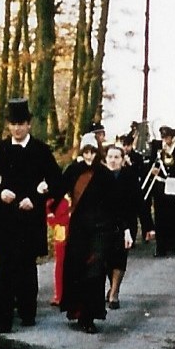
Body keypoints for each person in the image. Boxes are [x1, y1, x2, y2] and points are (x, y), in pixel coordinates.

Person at [0, 97, 64, 333]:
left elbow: (58, 182)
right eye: (13, 124)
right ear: (8, 126)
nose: (17, 128)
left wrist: (38, 199)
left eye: (21, 123)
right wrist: (0, 193)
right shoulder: (1, 149)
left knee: (28, 267)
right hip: (7, 219)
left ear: (29, 124)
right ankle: (4, 318)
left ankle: (28, 312)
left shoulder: (40, 150)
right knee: (7, 268)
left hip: (30, 219)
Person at [58, 134, 129, 333]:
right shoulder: (73, 171)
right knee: (76, 269)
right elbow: (58, 190)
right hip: (79, 228)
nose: (89, 156)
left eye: (92, 151)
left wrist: (124, 229)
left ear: (98, 152)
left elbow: (116, 205)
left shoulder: (105, 174)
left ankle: (89, 316)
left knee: (95, 271)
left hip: (100, 229)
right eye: (86, 152)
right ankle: (76, 311)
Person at [145, 126, 175, 257]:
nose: (165, 140)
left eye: (168, 138)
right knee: (160, 216)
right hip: (161, 185)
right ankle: (160, 246)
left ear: (173, 138)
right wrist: (153, 170)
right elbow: (151, 164)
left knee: (173, 216)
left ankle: (172, 244)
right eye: (164, 138)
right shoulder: (157, 150)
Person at [103, 143, 139, 310]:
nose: (113, 160)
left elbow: (140, 202)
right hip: (104, 224)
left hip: (125, 225)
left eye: (116, 157)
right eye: (110, 157)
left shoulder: (129, 176)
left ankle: (114, 293)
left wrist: (149, 227)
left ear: (123, 160)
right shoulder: (99, 175)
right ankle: (109, 287)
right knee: (105, 259)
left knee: (119, 258)